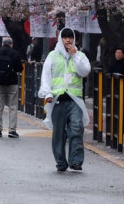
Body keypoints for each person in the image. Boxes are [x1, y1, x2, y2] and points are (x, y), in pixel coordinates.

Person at [39, 28, 91, 171]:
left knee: (76, 128)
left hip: (75, 100)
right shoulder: (52, 56)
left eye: (70, 37)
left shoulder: (79, 55)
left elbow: (85, 71)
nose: (68, 40)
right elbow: (46, 76)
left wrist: (75, 56)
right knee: (58, 133)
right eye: (65, 37)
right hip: (58, 100)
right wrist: (48, 93)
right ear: (60, 39)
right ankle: (61, 162)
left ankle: (76, 161)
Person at [0, 37, 23, 137]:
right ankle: (12, 130)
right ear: (11, 44)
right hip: (12, 83)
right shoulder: (14, 53)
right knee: (13, 106)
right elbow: (20, 68)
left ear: (2, 44)